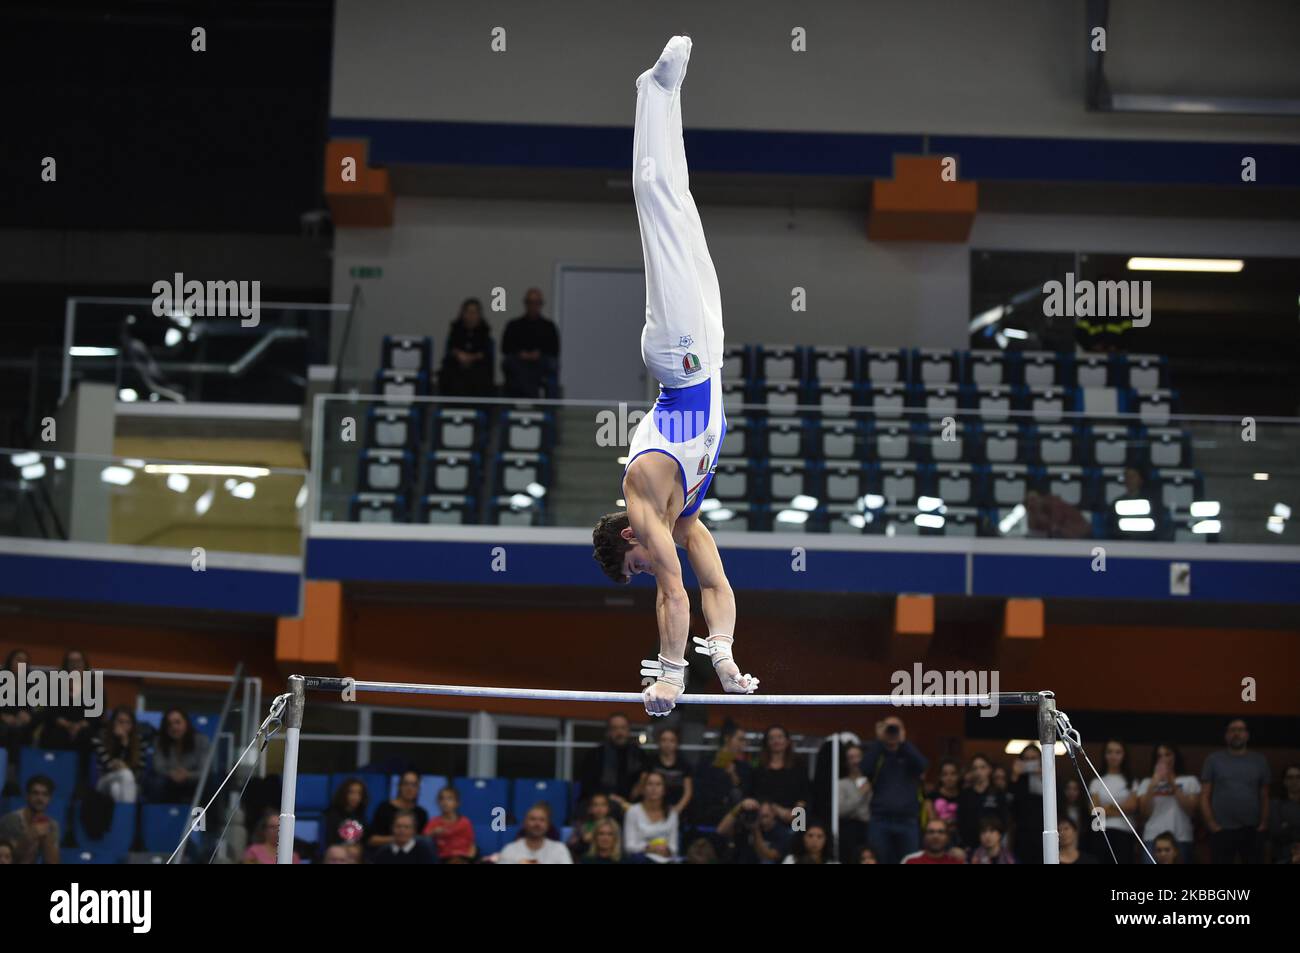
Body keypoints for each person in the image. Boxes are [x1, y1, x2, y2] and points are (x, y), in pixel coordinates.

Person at [590, 37, 758, 717]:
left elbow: (673, 591)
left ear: (629, 538)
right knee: (679, 203)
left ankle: (652, 90)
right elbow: (713, 585)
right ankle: (668, 96)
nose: (650, 564)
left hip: (680, 360)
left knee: (655, 198)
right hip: (710, 353)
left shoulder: (640, 499)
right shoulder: (682, 515)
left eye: (636, 563)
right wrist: (723, 654)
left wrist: (668, 676)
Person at [1201, 718, 1270, 864]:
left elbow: (1264, 795)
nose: (1236, 734)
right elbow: (1204, 796)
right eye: (1232, 730)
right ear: (1226, 736)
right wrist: (1212, 825)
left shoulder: (1259, 760)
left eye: (1240, 730)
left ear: (1247, 735)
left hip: (1252, 829)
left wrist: (1263, 823)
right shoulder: (1213, 760)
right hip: (1221, 830)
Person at [863, 715, 928, 865]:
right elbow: (864, 768)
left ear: (903, 731)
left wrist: (903, 742)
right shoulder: (878, 754)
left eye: (896, 728)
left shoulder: (909, 754)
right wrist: (880, 741)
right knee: (878, 859)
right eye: (889, 728)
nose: (892, 731)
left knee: (910, 861)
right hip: (880, 820)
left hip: (907, 820)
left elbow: (923, 765)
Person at [1137, 743, 1199, 865]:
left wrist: (1172, 783)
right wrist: (1153, 786)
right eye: (1159, 756)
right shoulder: (1147, 782)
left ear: (1175, 757)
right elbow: (1144, 813)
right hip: (1152, 838)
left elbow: (1192, 810)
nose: (1163, 759)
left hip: (1181, 837)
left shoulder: (1190, 781)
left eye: (1167, 754)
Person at [501, 287, 560, 399]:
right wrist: (521, 354)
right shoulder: (514, 325)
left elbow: (554, 349)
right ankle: (533, 397)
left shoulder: (549, 326)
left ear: (541, 304)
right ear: (525, 303)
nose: (533, 306)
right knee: (512, 364)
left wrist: (538, 354)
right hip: (519, 363)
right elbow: (505, 347)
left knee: (549, 364)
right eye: (530, 302)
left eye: (537, 303)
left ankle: (529, 398)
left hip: (541, 363)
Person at [1088, 739, 1140, 863]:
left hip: (1125, 833)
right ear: (1104, 755)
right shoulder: (1096, 781)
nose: (1113, 756)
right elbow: (1095, 810)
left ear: (1124, 755)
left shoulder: (1132, 781)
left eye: (1118, 752)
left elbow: (1132, 807)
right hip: (1101, 833)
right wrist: (1121, 809)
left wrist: (1107, 807)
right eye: (1110, 752)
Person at [578, 713, 645, 809]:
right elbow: (588, 785)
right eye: (615, 728)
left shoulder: (639, 754)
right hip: (602, 803)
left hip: (634, 804)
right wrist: (609, 796)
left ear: (628, 730)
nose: (619, 732)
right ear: (608, 731)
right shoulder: (594, 755)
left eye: (623, 728)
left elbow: (645, 777)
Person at [146, 708, 209, 803]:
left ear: (186, 723)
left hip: (192, 780)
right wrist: (171, 773)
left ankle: (209, 817)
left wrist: (187, 775)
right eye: (169, 724)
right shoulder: (160, 741)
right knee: (155, 782)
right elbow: (158, 767)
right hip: (169, 780)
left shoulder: (201, 740)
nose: (174, 727)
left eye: (177, 722)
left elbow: (204, 770)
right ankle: (158, 815)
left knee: (210, 782)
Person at [693, 724, 752, 825]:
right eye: (740, 739)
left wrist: (733, 775)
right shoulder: (706, 762)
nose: (743, 744)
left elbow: (745, 793)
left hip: (735, 818)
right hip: (707, 816)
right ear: (727, 739)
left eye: (744, 740)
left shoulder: (744, 767)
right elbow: (700, 791)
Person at [750, 725, 808, 826]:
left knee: (800, 835)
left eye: (780, 737)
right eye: (771, 738)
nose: (776, 741)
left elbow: (806, 794)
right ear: (767, 743)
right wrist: (778, 810)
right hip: (768, 818)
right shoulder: (758, 767)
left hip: (797, 817)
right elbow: (755, 794)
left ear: (787, 741)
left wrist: (794, 814)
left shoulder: (799, 764)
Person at [91, 706, 150, 803]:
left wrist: (125, 743)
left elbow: (139, 773)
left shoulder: (140, 742)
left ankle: (120, 817)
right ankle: (128, 816)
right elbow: (107, 766)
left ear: (133, 725)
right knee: (125, 774)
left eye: (128, 722)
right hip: (104, 781)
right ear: (113, 722)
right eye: (120, 721)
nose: (124, 726)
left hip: (131, 783)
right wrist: (123, 746)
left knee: (116, 788)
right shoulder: (100, 738)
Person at [438, 297, 495, 398]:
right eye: (468, 312)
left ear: (479, 315)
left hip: (477, 368)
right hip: (457, 366)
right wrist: (459, 355)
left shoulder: (484, 332)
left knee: (482, 373)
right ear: (462, 314)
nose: (471, 316)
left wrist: (470, 358)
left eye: (474, 312)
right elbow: (452, 349)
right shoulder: (455, 331)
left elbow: (485, 353)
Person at [632, 725, 693, 817]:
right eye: (664, 740)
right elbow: (642, 783)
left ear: (677, 743)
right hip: (651, 809)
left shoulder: (684, 765)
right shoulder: (650, 762)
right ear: (658, 742)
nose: (667, 744)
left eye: (671, 740)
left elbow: (688, 792)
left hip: (676, 809)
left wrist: (677, 810)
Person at [0, 775, 60, 864]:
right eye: (35, 793)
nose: (40, 798)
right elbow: (6, 859)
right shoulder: (10, 820)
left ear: (49, 799)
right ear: (27, 796)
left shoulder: (52, 825)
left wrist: (47, 839)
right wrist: (28, 837)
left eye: (45, 794)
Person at [623, 770, 679, 863]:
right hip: (640, 859)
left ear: (664, 790)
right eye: (650, 784)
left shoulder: (672, 813)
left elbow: (674, 847)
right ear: (643, 789)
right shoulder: (633, 811)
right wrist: (650, 848)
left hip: (665, 859)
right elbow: (629, 846)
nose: (654, 788)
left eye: (658, 784)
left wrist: (667, 850)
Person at [958, 754, 1009, 853]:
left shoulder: (998, 793)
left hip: (994, 846)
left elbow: (1004, 819)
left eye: (982, 767)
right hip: (970, 846)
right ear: (971, 771)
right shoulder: (965, 794)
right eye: (975, 768)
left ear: (989, 769)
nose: (978, 771)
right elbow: (961, 821)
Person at [368, 771, 430, 852]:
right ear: (399, 786)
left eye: (414, 785)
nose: (409, 788)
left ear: (418, 789)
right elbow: (371, 840)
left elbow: (422, 841)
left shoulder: (421, 813)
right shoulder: (384, 808)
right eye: (406, 784)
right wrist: (400, 839)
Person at [718, 798, 790, 864]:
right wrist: (740, 807)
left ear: (774, 814)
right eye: (759, 816)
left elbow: (769, 856)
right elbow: (721, 830)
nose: (762, 820)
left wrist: (755, 830)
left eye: (765, 816)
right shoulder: (747, 824)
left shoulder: (782, 833)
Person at [497, 803, 572, 864]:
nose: (537, 824)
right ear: (524, 823)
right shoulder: (510, 850)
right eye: (533, 819)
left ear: (548, 824)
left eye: (542, 820)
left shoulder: (559, 849)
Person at [836, 742, 872, 864]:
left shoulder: (873, 781)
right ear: (846, 762)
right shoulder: (841, 784)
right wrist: (861, 793)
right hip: (848, 830)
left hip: (870, 829)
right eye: (851, 757)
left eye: (858, 756)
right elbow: (841, 810)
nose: (855, 761)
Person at [1009, 744, 1045, 865]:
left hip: (1043, 835)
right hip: (1022, 837)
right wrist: (1014, 776)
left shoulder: (1049, 777)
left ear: (1041, 759)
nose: (1030, 762)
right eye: (1027, 759)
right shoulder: (1018, 780)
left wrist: (1042, 777)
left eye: (1033, 758)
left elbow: (1059, 803)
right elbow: (1010, 805)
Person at [1, 649, 36, 766]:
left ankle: (16, 769)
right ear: (10, 661)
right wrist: (3, 716)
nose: (21, 664)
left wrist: (28, 715)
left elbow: (37, 708)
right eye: (18, 660)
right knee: (6, 730)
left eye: (25, 662)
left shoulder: (32, 683)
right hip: (3, 722)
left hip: (21, 725)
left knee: (20, 731)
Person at [423, 786, 476, 862]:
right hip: (443, 859)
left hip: (463, 859)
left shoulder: (465, 822)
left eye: (449, 799)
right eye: (442, 799)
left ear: (457, 803)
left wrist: (469, 860)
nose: (445, 802)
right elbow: (424, 841)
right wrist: (433, 833)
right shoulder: (434, 822)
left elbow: (472, 845)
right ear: (438, 802)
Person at [371, 810, 435, 865]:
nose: (402, 830)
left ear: (414, 830)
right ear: (392, 828)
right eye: (398, 826)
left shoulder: (424, 852)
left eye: (406, 827)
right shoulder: (382, 852)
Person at [323, 777, 369, 853]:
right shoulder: (331, 814)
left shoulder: (361, 816)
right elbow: (328, 842)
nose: (356, 797)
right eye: (351, 792)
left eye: (359, 793)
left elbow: (364, 841)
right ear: (343, 794)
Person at [1267, 764, 1300, 863]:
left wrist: (1288, 825)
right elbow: (1276, 832)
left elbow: (1286, 829)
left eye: (1298, 777)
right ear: (1284, 781)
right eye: (1290, 778)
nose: (1294, 781)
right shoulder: (1275, 804)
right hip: (1283, 854)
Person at [567, 791, 613, 858]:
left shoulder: (613, 825)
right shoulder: (582, 825)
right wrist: (582, 840)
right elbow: (570, 845)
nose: (600, 808)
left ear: (608, 808)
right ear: (590, 809)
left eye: (603, 805)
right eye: (595, 805)